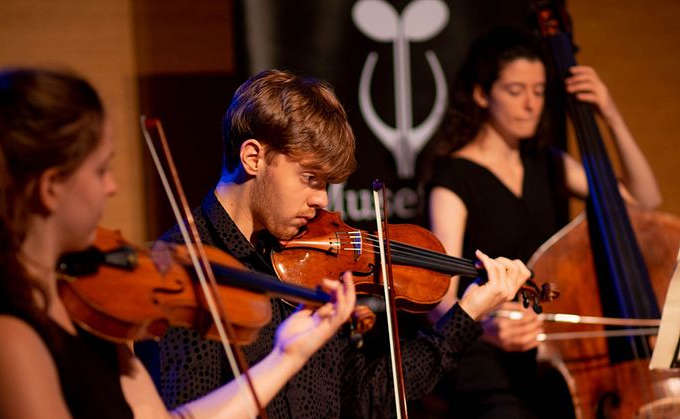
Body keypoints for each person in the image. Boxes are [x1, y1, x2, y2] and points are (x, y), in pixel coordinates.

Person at [0, 68, 360, 419]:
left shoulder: (91, 312)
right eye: (101, 170)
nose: (113, 187)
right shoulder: (1, 338)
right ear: (51, 188)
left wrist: (287, 355)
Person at [152, 69, 533, 418]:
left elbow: (370, 395)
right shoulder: (184, 276)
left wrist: (465, 315)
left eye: (326, 185)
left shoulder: (305, 261)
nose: (322, 201)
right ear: (253, 157)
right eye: (310, 178)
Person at [424, 26, 662, 418]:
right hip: (484, 353)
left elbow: (645, 203)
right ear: (483, 95)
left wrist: (611, 115)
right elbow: (441, 302)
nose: (531, 104)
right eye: (515, 91)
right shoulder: (454, 180)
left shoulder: (550, 165)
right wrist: (485, 329)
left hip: (551, 352)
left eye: (538, 91)